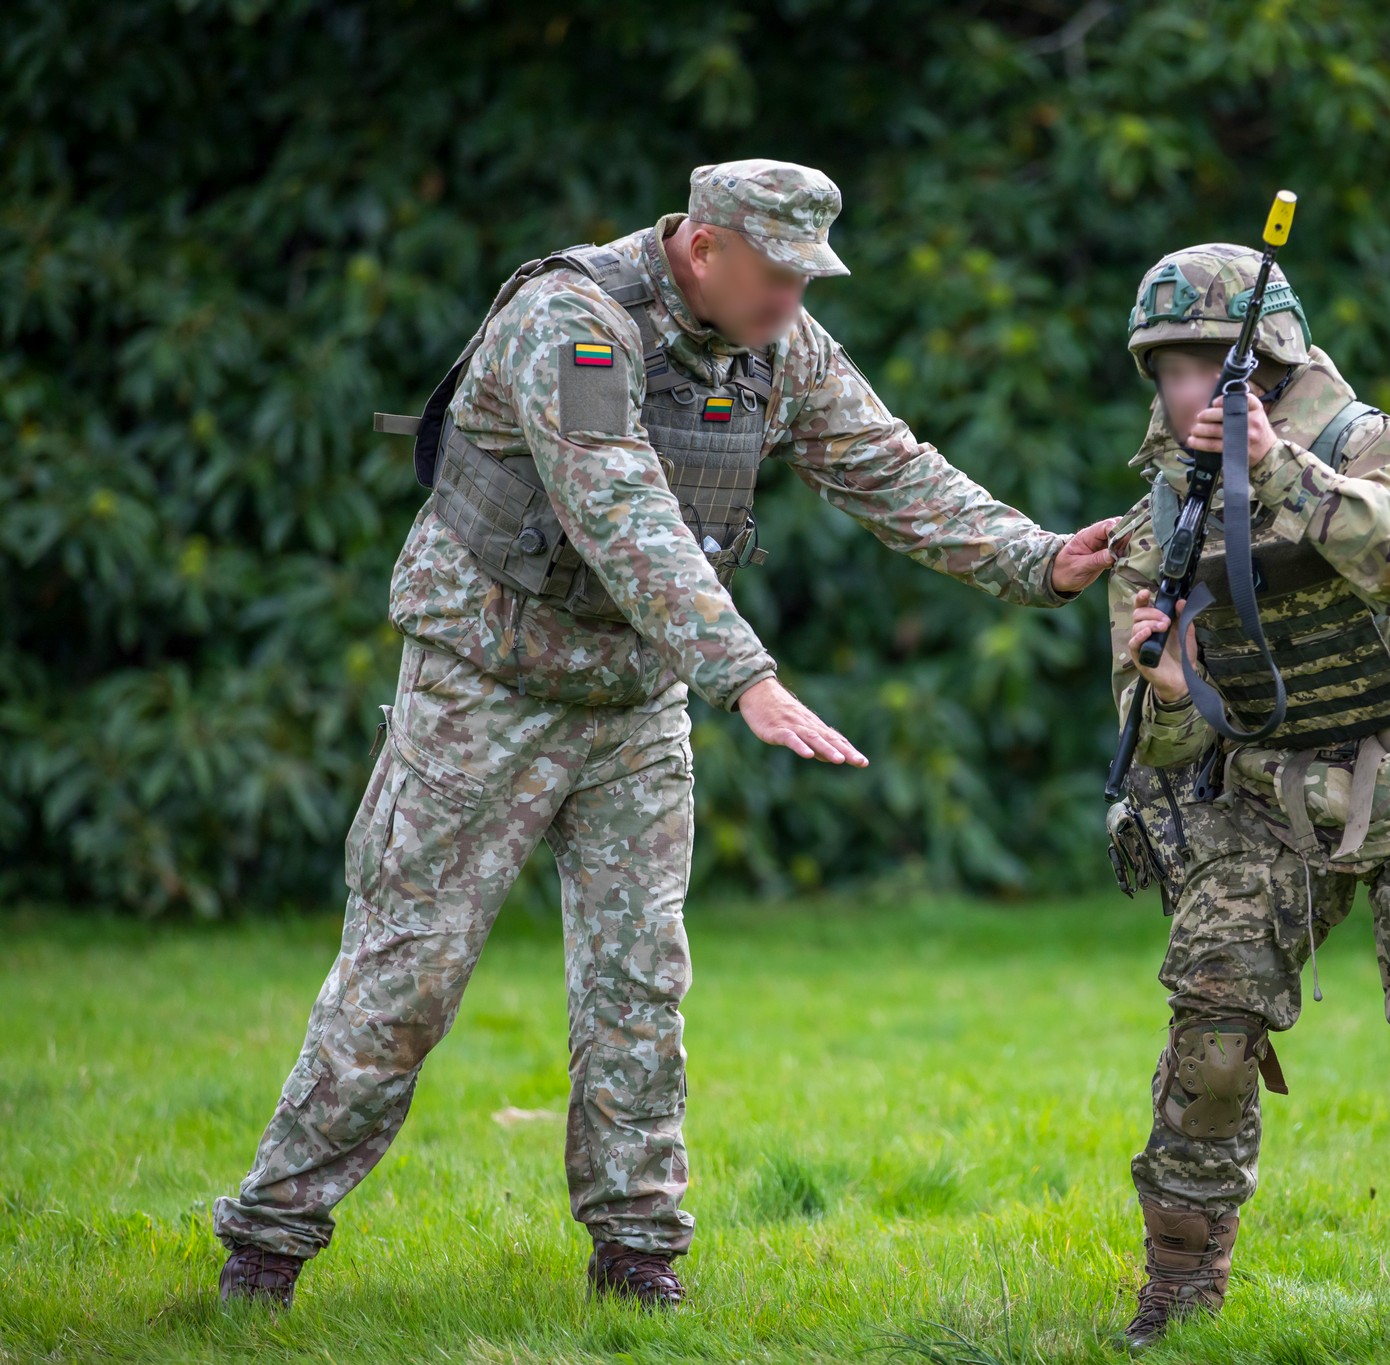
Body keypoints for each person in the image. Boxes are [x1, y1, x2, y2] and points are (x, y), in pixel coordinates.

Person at [213, 158, 1117, 1310]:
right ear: (701, 245)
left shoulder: (774, 345)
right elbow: (615, 504)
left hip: (633, 701)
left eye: (807, 278)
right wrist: (742, 675)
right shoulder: (572, 322)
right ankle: (269, 1245)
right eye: (777, 275)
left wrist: (1033, 558)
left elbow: (885, 464)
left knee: (639, 984)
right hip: (485, 684)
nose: (793, 302)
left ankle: (637, 1258)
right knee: (405, 977)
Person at [1103, 242, 1390, 1346]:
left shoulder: (1368, 447)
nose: (1180, 391)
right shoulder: (1160, 515)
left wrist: (1277, 473)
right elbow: (1160, 746)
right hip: (1268, 786)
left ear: (1263, 364)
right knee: (1208, 1033)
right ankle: (1177, 1291)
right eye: (1162, 367)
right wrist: (1167, 688)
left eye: (1202, 364)